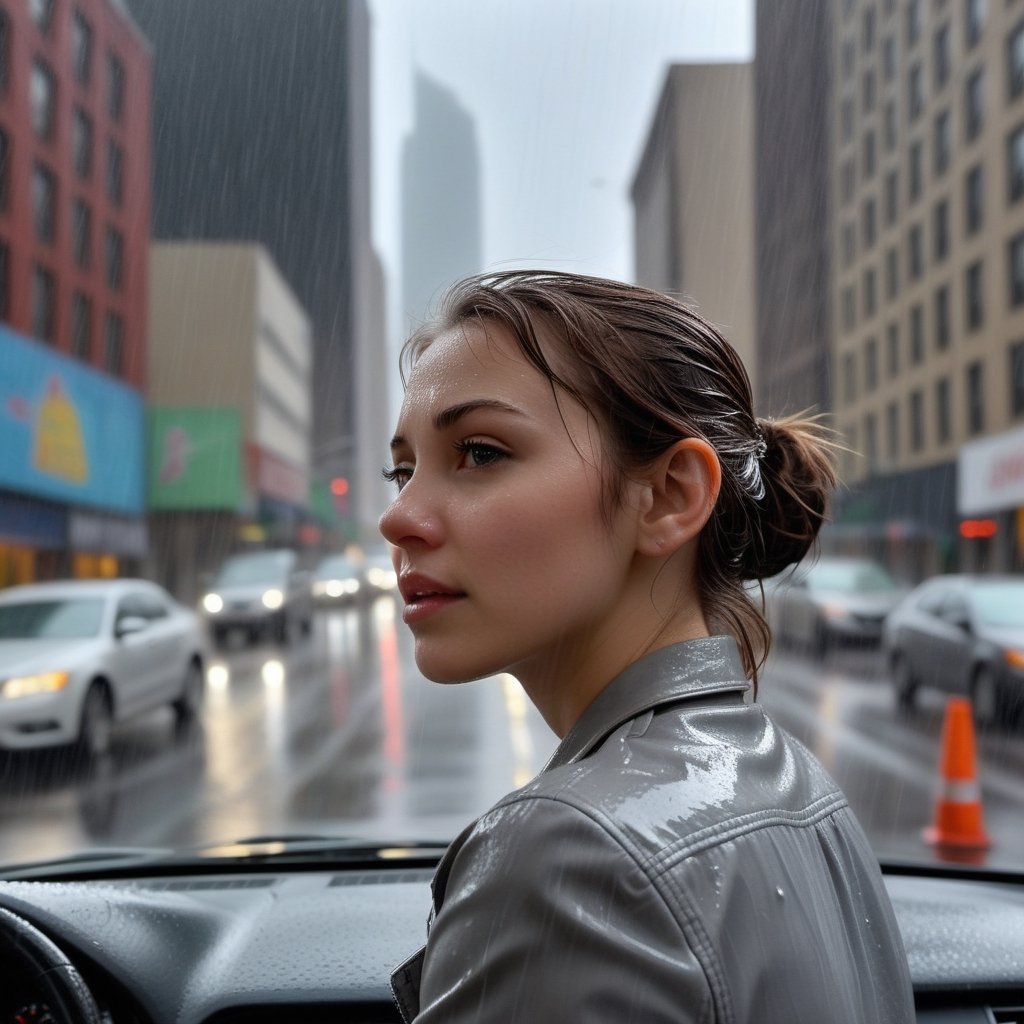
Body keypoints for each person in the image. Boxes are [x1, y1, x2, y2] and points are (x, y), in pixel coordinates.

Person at [379, 270, 915, 1023]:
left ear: (668, 496)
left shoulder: (566, 859)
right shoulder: (800, 783)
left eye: (480, 452)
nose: (397, 518)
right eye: (402, 470)